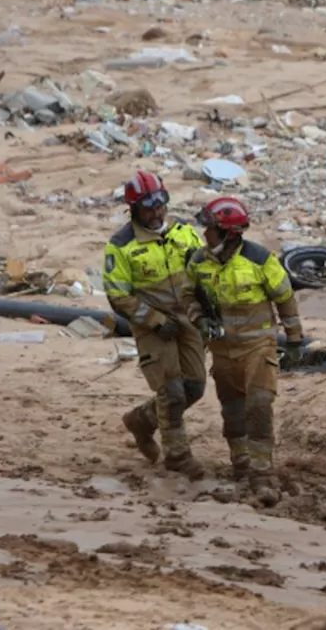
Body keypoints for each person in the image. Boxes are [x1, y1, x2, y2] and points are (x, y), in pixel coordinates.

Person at [186, 196, 305, 506]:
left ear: (227, 232)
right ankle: (241, 465)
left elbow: (285, 299)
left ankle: (263, 473)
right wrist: (198, 320)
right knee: (232, 408)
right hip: (223, 349)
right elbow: (190, 298)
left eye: (209, 229)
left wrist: (294, 340)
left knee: (259, 404)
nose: (204, 235)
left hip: (258, 347)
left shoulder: (261, 260)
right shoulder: (198, 262)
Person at [103, 171, 208, 480]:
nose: (156, 212)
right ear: (133, 209)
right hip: (152, 325)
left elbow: (203, 273)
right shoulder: (121, 246)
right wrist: (154, 320)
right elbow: (118, 295)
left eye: (160, 204)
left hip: (189, 320)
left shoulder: (185, 233)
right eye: (148, 207)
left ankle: (142, 420)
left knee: (194, 388)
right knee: (172, 390)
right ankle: (178, 456)